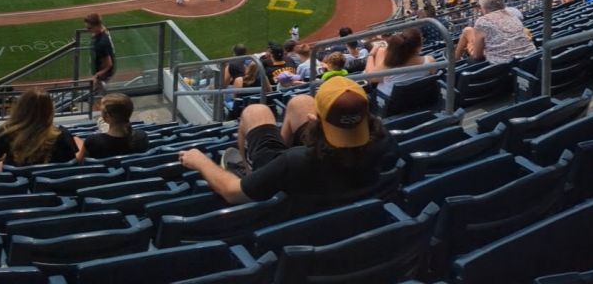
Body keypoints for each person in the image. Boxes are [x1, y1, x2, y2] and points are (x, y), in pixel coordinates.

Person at [177, 76, 398, 205]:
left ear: (317, 120)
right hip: (341, 185)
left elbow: (232, 192)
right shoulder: (385, 140)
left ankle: (249, 168)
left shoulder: (294, 161)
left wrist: (200, 161)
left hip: (297, 184)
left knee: (256, 110)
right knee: (300, 101)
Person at [0, 88, 81, 168]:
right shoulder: (62, 134)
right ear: (50, 110)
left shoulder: (6, 132)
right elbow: (71, 163)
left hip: (17, 190)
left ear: (21, 108)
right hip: (54, 190)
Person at [455, 0, 534, 63]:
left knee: (467, 31)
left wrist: (470, 46)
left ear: (483, 7)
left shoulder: (482, 21)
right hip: (529, 59)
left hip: (503, 65)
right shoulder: (513, 15)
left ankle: (455, 62)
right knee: (468, 31)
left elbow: (477, 56)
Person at [83, 93, 149, 158]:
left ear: (107, 116)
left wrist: (80, 142)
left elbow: (80, 161)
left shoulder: (93, 141)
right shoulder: (142, 136)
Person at [86, 13, 117, 95]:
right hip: (103, 75)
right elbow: (103, 28)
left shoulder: (100, 44)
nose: (88, 30)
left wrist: (96, 77)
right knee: (98, 96)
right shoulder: (103, 32)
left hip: (102, 77)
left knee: (97, 97)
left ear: (96, 26)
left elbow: (108, 64)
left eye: (89, 28)